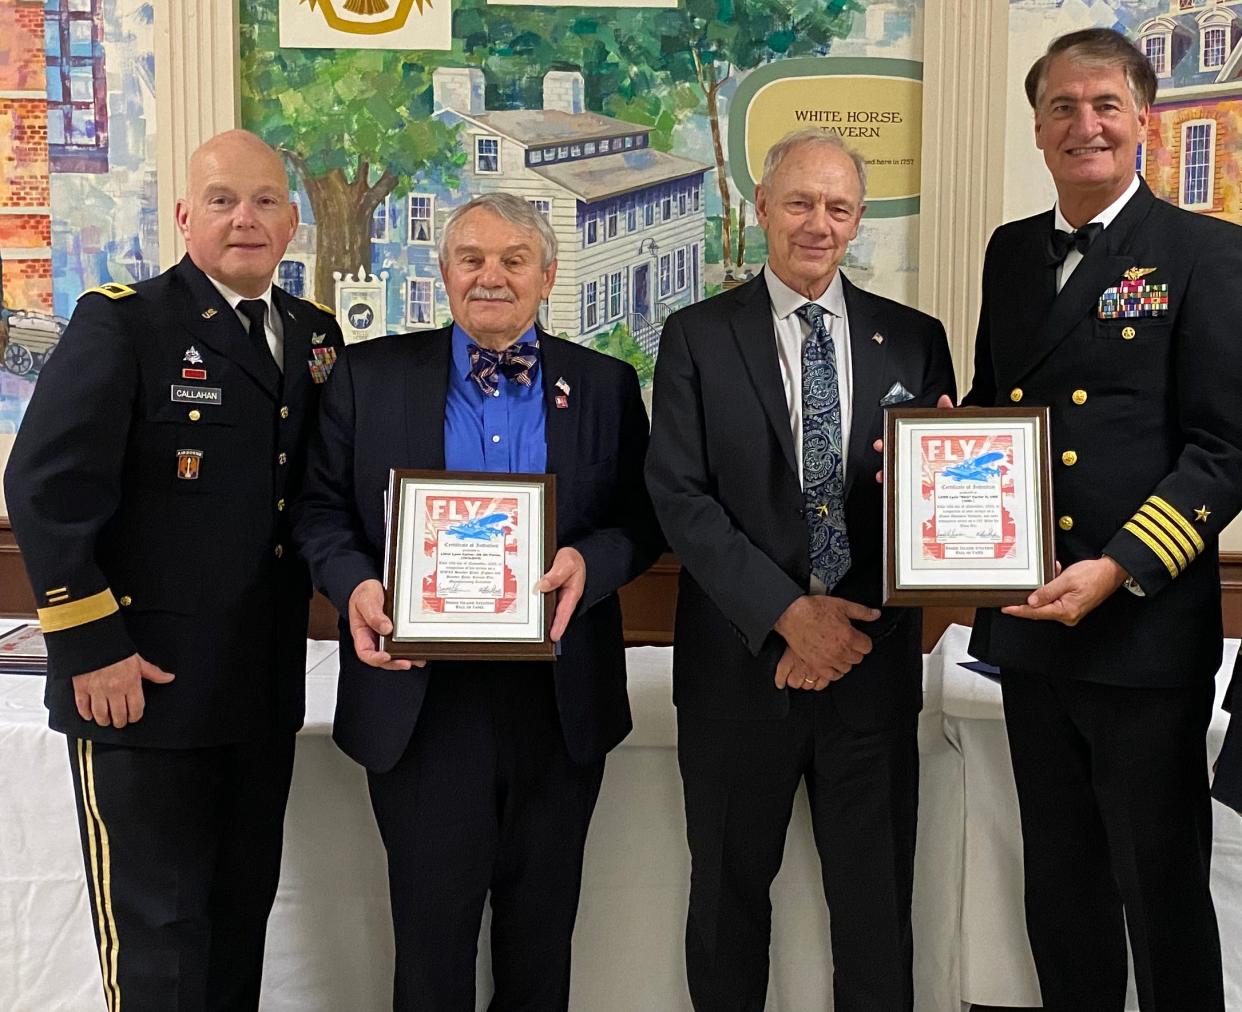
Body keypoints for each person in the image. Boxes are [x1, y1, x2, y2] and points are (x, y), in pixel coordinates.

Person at [293, 192, 661, 1011]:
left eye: (513, 259)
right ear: (444, 273)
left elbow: (642, 520)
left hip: (558, 701)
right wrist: (356, 584)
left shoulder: (605, 384)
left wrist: (586, 565)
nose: (491, 276)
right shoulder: (369, 375)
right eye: (472, 259)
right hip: (422, 703)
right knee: (430, 949)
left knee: (540, 946)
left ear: (548, 276)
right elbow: (317, 511)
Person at [3, 129, 343, 1009]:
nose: (246, 219)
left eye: (266, 200)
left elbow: (311, 499)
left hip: (258, 689)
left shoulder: (312, 336)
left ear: (292, 222)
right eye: (223, 200)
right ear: (186, 216)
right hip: (138, 685)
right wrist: (91, 647)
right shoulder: (124, 322)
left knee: (237, 927)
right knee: (157, 944)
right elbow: (45, 489)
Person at [963, 28, 1242, 1010]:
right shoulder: (1008, 253)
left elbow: (1225, 450)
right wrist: (935, 464)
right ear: (1038, 127)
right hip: (1033, 625)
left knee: (1160, 893)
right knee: (1063, 891)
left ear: (1143, 121)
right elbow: (993, 407)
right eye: (1063, 107)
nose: (1085, 124)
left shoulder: (1205, 253)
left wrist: (1119, 566)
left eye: (1105, 105)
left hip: (1142, 631)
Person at [645, 128, 955, 1010]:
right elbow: (680, 497)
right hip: (738, 675)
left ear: (858, 220)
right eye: (799, 202)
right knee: (726, 913)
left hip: (870, 671)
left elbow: (935, 513)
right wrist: (788, 614)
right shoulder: (696, 336)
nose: (818, 223)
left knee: (875, 913)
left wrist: (844, 632)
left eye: (839, 206)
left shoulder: (916, 340)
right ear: (761, 208)